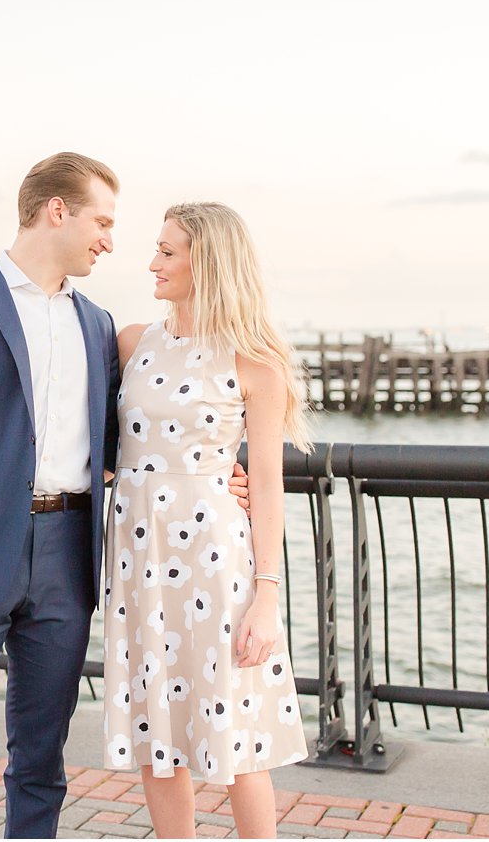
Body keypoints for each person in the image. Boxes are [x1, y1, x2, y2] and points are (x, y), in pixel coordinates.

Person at [0, 154, 249, 839]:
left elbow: (129, 443)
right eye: (102, 221)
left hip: (68, 556)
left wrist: (219, 471)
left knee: (41, 752)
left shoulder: (97, 324)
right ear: (57, 210)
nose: (111, 241)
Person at [101, 201, 314, 839]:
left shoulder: (256, 363)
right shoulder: (133, 342)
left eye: (168, 251)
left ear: (209, 262)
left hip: (217, 561)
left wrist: (267, 597)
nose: (152, 262)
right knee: (156, 733)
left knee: (239, 739)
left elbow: (269, 483)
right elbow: (108, 443)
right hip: (139, 561)